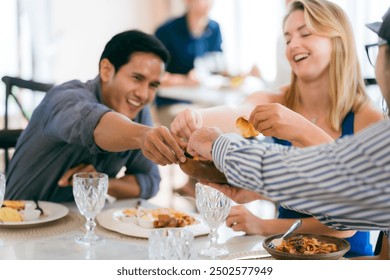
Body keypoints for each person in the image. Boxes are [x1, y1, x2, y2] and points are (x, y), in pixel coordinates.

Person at [171, 0, 383, 257]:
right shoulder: (278, 100)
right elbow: (238, 114)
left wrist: (263, 225)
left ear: (338, 41)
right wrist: (197, 117)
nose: (293, 44)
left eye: (305, 33)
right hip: (286, 256)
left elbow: (347, 220)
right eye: (287, 38)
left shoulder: (368, 119)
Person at [4, 30, 186, 203]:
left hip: (83, 227)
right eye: (137, 78)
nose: (144, 95)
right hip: (20, 225)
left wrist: (100, 182)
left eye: (153, 85)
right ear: (106, 70)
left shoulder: (138, 112)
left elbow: (149, 182)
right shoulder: (66, 99)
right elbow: (94, 124)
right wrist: (143, 136)